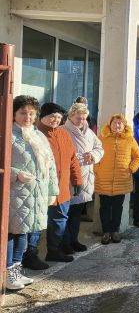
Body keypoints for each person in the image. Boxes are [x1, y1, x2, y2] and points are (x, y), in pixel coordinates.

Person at [6, 96, 59, 290]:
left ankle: (17, 272)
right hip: (15, 194)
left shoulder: (39, 135)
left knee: (25, 234)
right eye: (22, 113)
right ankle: (8, 273)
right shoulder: (7, 134)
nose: (27, 117)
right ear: (14, 114)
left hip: (36, 193)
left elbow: (50, 165)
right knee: (12, 233)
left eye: (31, 113)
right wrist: (16, 174)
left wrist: (53, 191)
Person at [23, 103, 83, 269]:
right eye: (52, 117)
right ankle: (29, 255)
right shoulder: (36, 134)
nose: (55, 120)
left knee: (59, 220)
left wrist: (77, 180)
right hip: (41, 188)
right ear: (42, 116)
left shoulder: (63, 134)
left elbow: (73, 159)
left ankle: (54, 250)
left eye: (58, 117)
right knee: (37, 222)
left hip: (62, 187)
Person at [63, 103, 104, 254]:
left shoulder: (89, 132)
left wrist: (93, 156)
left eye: (83, 116)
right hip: (69, 177)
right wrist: (80, 158)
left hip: (86, 177)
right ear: (71, 116)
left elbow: (99, 148)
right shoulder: (63, 130)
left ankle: (73, 240)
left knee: (77, 213)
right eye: (78, 116)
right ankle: (63, 242)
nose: (81, 119)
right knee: (65, 213)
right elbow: (62, 155)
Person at [95, 114, 139, 244]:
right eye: (115, 123)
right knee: (104, 207)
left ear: (124, 125)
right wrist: (97, 170)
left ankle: (115, 231)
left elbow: (138, 157)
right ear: (110, 124)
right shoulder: (102, 138)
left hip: (122, 179)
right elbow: (95, 155)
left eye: (120, 123)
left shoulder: (130, 140)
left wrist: (131, 169)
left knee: (117, 207)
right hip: (104, 178)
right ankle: (105, 232)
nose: (117, 125)